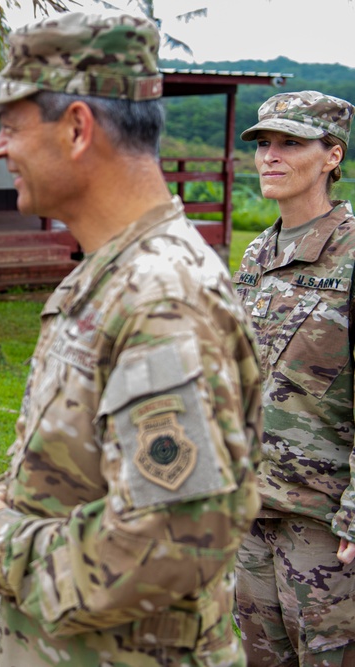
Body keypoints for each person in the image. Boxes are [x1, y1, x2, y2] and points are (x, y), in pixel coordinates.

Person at [0, 12, 263, 666]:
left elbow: (172, 538)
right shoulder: (107, 275)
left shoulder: (160, 298)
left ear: (76, 129)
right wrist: (9, 500)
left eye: (10, 126)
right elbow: (116, 476)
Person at [232, 91, 355, 665]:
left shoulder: (351, 255)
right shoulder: (258, 252)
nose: (269, 158)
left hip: (324, 522)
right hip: (252, 509)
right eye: (263, 144)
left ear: (332, 155)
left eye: (291, 144)